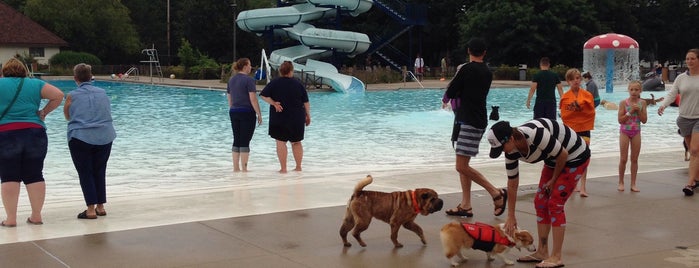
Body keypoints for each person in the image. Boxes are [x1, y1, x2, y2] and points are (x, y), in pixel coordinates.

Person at [487, 119, 590, 268]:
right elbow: (512, 183)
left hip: (575, 157)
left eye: (502, 147)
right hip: (553, 160)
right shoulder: (511, 152)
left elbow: (563, 154)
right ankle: (542, 251)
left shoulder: (536, 135)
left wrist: (554, 180)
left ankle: (556, 256)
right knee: (540, 202)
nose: (503, 152)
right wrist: (511, 215)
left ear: (510, 138)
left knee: (555, 204)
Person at [444, 37, 507, 217]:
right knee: (464, 163)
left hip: (468, 121)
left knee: (461, 166)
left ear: (468, 51)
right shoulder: (487, 72)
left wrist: (448, 97)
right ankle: (466, 205)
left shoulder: (466, 69)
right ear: (484, 52)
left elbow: (451, 90)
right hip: (476, 119)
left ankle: (496, 193)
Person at [0, 58, 63, 226]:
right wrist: (43, 112)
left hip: (5, 134)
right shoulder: (35, 84)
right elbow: (58, 95)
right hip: (35, 132)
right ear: (24, 71)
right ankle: (36, 216)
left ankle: (11, 219)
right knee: (35, 174)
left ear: (4, 71)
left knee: (9, 176)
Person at [64, 63, 116, 219]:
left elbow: (68, 116)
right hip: (105, 136)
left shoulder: (71, 95)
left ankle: (91, 209)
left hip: (81, 137)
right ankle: (101, 206)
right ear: (91, 76)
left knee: (85, 172)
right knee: (100, 170)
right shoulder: (102, 92)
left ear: (75, 78)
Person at [658, 48, 699, 196]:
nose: (689, 61)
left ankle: (690, 184)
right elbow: (672, 93)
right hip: (684, 119)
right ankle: (697, 178)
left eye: (692, 58)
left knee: (694, 150)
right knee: (694, 151)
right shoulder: (681, 78)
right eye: (687, 59)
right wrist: (663, 105)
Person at [259, 61, 311, 173]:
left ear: (280, 71)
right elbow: (306, 102)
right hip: (296, 117)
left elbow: (263, 95)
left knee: (280, 142)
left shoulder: (274, 83)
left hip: (279, 116)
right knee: (296, 142)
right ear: (291, 71)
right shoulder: (298, 84)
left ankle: (283, 168)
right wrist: (308, 115)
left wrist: (273, 103)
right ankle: (298, 167)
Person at [559, 68, 595, 197]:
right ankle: (572, 183)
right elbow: (564, 115)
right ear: (568, 81)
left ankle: (583, 186)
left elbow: (591, 112)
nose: (576, 80)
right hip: (571, 131)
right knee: (569, 157)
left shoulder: (587, 95)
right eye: (573, 78)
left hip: (584, 129)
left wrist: (579, 106)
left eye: (578, 78)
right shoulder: (565, 97)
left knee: (584, 157)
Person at [227, 58, 263, 172]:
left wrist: (233, 108)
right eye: (250, 65)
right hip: (247, 112)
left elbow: (230, 98)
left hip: (234, 111)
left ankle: (235, 168)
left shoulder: (231, 80)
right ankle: (244, 169)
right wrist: (259, 114)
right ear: (245, 66)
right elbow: (253, 99)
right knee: (245, 141)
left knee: (236, 139)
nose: (251, 67)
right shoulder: (249, 80)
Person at [617, 81, 647, 192]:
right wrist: (630, 112)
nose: (634, 92)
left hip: (636, 132)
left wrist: (638, 111)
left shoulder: (642, 103)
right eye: (632, 89)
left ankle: (633, 183)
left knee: (634, 159)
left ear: (640, 91)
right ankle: (621, 181)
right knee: (623, 159)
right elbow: (620, 120)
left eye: (636, 90)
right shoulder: (623, 103)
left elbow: (644, 120)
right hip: (625, 131)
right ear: (628, 90)